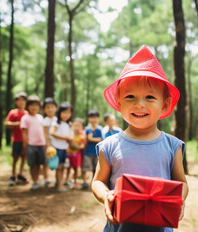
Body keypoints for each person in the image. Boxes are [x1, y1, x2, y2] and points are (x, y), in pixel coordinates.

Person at [92, 45, 189, 232]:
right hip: (119, 226)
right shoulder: (109, 145)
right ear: (119, 103)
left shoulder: (172, 145)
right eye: (130, 97)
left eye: (150, 97)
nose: (139, 105)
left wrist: (179, 198)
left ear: (165, 104)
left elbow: (182, 182)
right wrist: (106, 195)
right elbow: (98, 181)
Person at [20, 95, 47, 190]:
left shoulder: (40, 118)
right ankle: (34, 181)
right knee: (32, 164)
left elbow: (44, 131)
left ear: (39, 107)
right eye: (31, 105)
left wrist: (46, 144)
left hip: (41, 145)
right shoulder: (25, 118)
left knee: (40, 164)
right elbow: (24, 132)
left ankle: (38, 180)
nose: (34, 107)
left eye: (36, 105)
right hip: (31, 145)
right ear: (28, 106)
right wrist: (26, 144)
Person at [4, 92, 28, 186]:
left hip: (25, 140)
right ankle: (13, 175)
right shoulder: (13, 112)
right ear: (16, 102)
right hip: (16, 140)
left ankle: (20, 174)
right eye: (20, 100)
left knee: (24, 158)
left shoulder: (27, 113)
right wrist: (19, 123)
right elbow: (7, 124)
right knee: (15, 158)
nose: (22, 102)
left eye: (23, 100)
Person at [50, 102, 73, 192]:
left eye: (68, 113)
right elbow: (52, 133)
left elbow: (70, 136)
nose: (66, 115)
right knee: (59, 167)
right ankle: (59, 185)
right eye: (64, 112)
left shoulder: (68, 124)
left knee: (63, 167)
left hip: (64, 148)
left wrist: (70, 139)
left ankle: (59, 182)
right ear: (59, 112)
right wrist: (65, 138)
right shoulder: (56, 122)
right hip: (57, 148)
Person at [82, 109, 103, 190]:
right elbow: (87, 139)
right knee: (86, 168)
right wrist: (94, 139)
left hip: (97, 153)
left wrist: (91, 138)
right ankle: (84, 182)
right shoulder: (87, 129)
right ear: (88, 119)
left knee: (95, 168)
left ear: (98, 119)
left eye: (95, 117)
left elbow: (101, 139)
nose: (94, 119)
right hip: (87, 152)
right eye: (92, 117)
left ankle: (93, 182)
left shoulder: (100, 129)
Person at [66, 118, 86, 189]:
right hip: (69, 154)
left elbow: (82, 146)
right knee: (67, 167)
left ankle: (75, 182)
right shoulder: (69, 135)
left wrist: (75, 146)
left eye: (78, 126)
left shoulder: (82, 136)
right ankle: (66, 180)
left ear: (82, 127)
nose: (76, 128)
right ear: (72, 126)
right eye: (75, 126)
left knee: (75, 168)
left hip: (76, 155)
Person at [42, 97, 58, 187]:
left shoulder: (56, 119)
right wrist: (48, 145)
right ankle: (46, 178)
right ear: (44, 110)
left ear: (56, 108)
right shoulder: (46, 120)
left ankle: (57, 180)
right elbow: (45, 133)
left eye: (52, 107)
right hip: (49, 144)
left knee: (56, 162)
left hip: (57, 144)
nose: (50, 109)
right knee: (46, 162)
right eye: (47, 107)